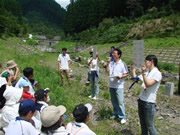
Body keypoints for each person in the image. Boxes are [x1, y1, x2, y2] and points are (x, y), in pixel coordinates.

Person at [130, 55, 162, 135]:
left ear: (151, 62)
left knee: (150, 127)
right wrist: (133, 69)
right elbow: (135, 79)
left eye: (146, 61)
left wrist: (143, 73)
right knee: (143, 125)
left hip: (149, 102)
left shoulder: (157, 73)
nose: (144, 63)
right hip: (141, 100)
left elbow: (148, 84)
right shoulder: (148, 72)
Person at [106, 48, 129, 124]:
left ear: (119, 55)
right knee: (113, 101)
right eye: (112, 53)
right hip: (111, 84)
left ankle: (122, 116)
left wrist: (121, 77)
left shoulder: (122, 63)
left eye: (114, 53)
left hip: (119, 85)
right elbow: (107, 71)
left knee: (120, 101)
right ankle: (115, 113)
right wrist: (108, 63)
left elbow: (127, 73)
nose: (113, 55)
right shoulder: (111, 63)